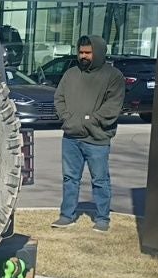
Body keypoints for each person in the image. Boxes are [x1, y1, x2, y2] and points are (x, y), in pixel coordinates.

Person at [51, 35, 126, 232]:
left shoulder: (113, 76)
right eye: (81, 52)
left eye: (88, 53)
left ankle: (102, 218)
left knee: (100, 180)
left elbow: (112, 107)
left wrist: (89, 121)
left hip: (97, 139)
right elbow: (58, 99)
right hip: (71, 138)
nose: (83, 56)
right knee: (70, 178)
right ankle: (67, 215)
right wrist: (68, 119)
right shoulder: (70, 75)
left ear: (98, 52)